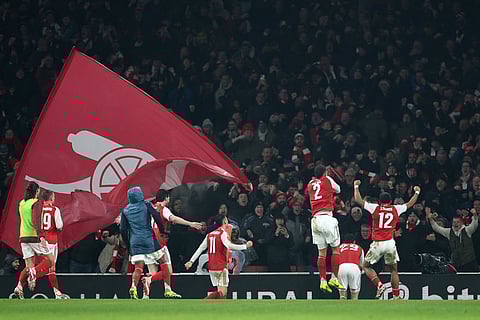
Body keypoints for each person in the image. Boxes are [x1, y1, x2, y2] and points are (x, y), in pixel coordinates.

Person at [353, 180, 420, 299]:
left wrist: (356, 186)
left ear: (379, 201)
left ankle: (379, 285)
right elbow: (409, 204)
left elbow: (359, 200)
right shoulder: (396, 209)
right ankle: (396, 296)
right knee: (394, 270)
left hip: (378, 243)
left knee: (366, 266)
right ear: (390, 201)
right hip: (390, 243)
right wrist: (416, 193)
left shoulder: (375, 208)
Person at [141, 189, 203, 299]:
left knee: (153, 270)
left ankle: (146, 296)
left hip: (146, 243)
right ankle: (166, 289)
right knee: (168, 270)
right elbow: (173, 219)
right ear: (167, 198)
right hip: (158, 241)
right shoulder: (163, 209)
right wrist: (191, 223)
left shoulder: (149, 208)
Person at [184, 214, 253, 299]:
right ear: (224, 221)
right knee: (223, 293)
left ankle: (216, 308)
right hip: (221, 266)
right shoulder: (222, 234)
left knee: (219, 290)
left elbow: (200, 248)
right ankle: (207, 300)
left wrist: (191, 261)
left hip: (212, 267)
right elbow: (229, 245)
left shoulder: (210, 234)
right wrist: (245, 246)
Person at [120, 186, 168, 300]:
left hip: (135, 243)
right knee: (164, 262)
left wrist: (128, 245)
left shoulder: (125, 210)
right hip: (149, 241)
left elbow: (122, 229)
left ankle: (133, 287)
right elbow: (156, 216)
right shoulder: (146, 205)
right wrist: (162, 230)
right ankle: (167, 288)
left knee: (138, 268)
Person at [13, 182, 55, 299]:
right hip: (34, 236)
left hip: (23, 236)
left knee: (28, 266)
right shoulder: (36, 203)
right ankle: (34, 273)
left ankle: (19, 287)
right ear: (36, 191)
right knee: (51, 260)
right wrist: (41, 236)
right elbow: (35, 220)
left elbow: (21, 219)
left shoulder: (21, 203)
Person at [307, 164, 343, 293]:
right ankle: (334, 277)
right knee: (335, 250)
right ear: (325, 172)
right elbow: (338, 189)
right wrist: (328, 177)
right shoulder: (327, 179)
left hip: (315, 220)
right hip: (327, 218)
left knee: (321, 254)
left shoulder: (310, 184)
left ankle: (322, 280)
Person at [37, 189, 69, 299]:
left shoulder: (39, 210)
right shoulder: (55, 210)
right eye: (54, 196)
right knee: (51, 268)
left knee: (44, 266)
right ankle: (57, 292)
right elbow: (59, 226)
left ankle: (57, 292)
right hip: (51, 242)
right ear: (50, 198)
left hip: (41, 241)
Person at [426, 207, 478, 272]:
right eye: (454, 222)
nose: (455, 224)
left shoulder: (467, 230)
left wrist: (475, 215)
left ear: (462, 223)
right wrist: (431, 219)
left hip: (470, 263)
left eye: (457, 222)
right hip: (457, 264)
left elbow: (474, 224)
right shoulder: (449, 232)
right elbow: (437, 228)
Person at [337, 236, 364, 300]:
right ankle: (354, 307)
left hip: (341, 267)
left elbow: (335, 260)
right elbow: (362, 264)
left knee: (342, 293)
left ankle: (341, 307)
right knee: (354, 294)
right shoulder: (359, 248)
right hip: (354, 267)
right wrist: (362, 272)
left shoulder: (339, 247)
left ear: (343, 242)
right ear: (354, 242)